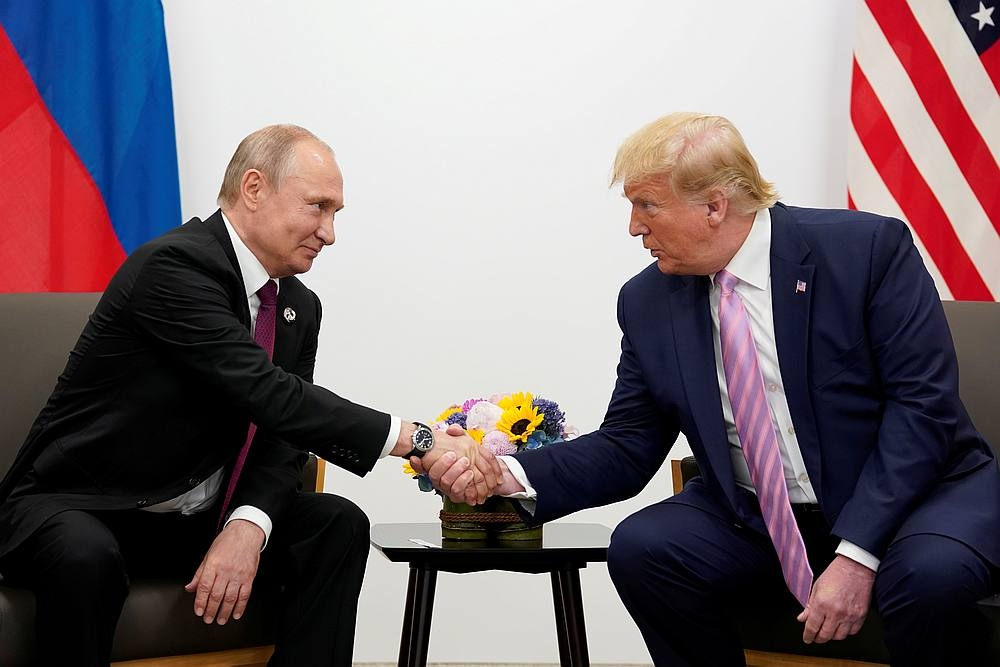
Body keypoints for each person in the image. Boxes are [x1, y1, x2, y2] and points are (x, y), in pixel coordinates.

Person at [420, 113, 1000, 666]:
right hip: (763, 515)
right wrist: (509, 474)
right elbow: (628, 444)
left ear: (714, 206)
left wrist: (857, 553)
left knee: (930, 579)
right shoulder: (648, 301)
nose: (634, 227)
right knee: (647, 549)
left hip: (918, 498)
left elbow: (921, 408)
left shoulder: (866, 252)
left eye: (646, 205)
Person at [0, 124, 500, 667]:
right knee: (84, 554)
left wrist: (248, 524)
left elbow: (283, 435)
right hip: (85, 507)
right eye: (317, 207)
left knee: (336, 525)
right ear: (255, 189)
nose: (329, 233)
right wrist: (417, 440)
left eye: (336, 214)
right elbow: (268, 394)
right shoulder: (173, 267)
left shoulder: (298, 307)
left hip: (191, 517)